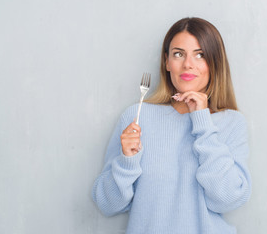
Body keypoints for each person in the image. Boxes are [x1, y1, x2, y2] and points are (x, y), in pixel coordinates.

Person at [92, 17, 251, 234]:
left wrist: (203, 122)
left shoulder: (232, 122)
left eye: (200, 54)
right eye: (178, 54)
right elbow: (107, 204)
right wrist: (127, 162)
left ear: (214, 63)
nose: (188, 64)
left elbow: (227, 199)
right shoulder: (137, 116)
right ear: (167, 62)